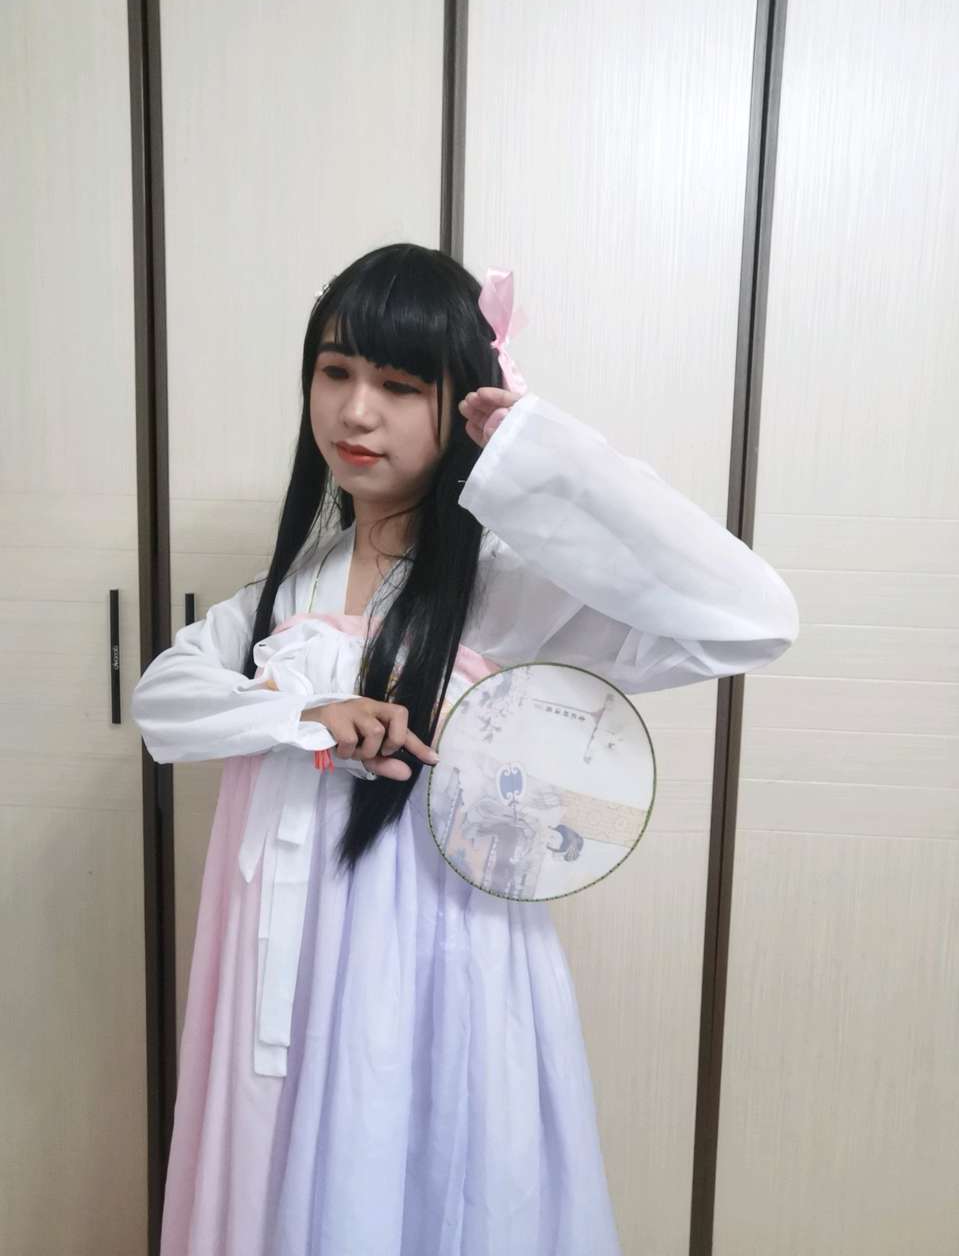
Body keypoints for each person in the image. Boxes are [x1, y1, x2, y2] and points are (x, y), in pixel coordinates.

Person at [131, 242, 799, 1255]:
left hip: (434, 962)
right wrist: (304, 715)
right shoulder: (286, 589)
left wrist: (545, 457)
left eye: (401, 386)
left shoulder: (506, 586)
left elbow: (751, 618)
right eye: (335, 371)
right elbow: (166, 700)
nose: (356, 412)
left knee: (419, 1168)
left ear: (462, 402)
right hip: (281, 963)